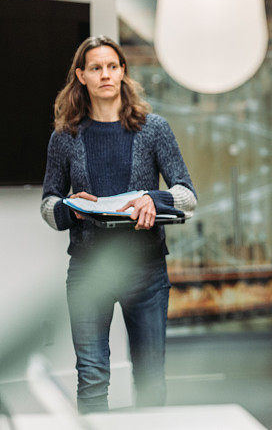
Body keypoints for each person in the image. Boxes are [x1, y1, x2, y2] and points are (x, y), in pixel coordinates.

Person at [41, 36, 196, 412]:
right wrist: (68, 205)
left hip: (146, 271)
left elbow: (187, 196)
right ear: (81, 76)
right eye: (95, 68)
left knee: (149, 379)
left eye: (112, 66)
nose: (105, 75)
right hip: (88, 270)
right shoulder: (65, 137)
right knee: (92, 376)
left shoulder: (153, 128)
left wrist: (152, 199)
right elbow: (47, 204)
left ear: (123, 71)